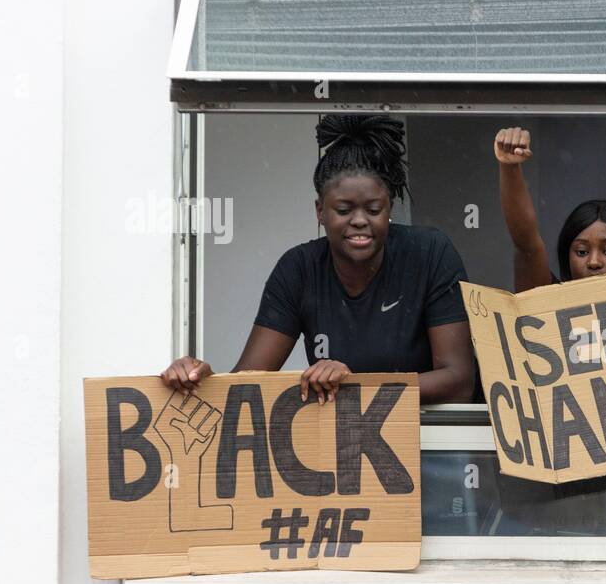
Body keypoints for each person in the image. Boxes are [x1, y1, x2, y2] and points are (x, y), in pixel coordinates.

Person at [160, 114, 475, 405]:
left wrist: (352, 386)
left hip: (434, 445)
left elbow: (458, 381)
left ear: (389, 209)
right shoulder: (299, 269)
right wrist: (199, 376)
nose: (360, 220)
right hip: (345, 447)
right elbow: (247, 383)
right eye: (344, 209)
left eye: (374, 209)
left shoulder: (430, 253)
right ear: (320, 212)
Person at [492, 126, 606, 290]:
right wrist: (509, 167)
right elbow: (526, 245)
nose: (594, 262)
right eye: (582, 252)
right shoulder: (549, 301)